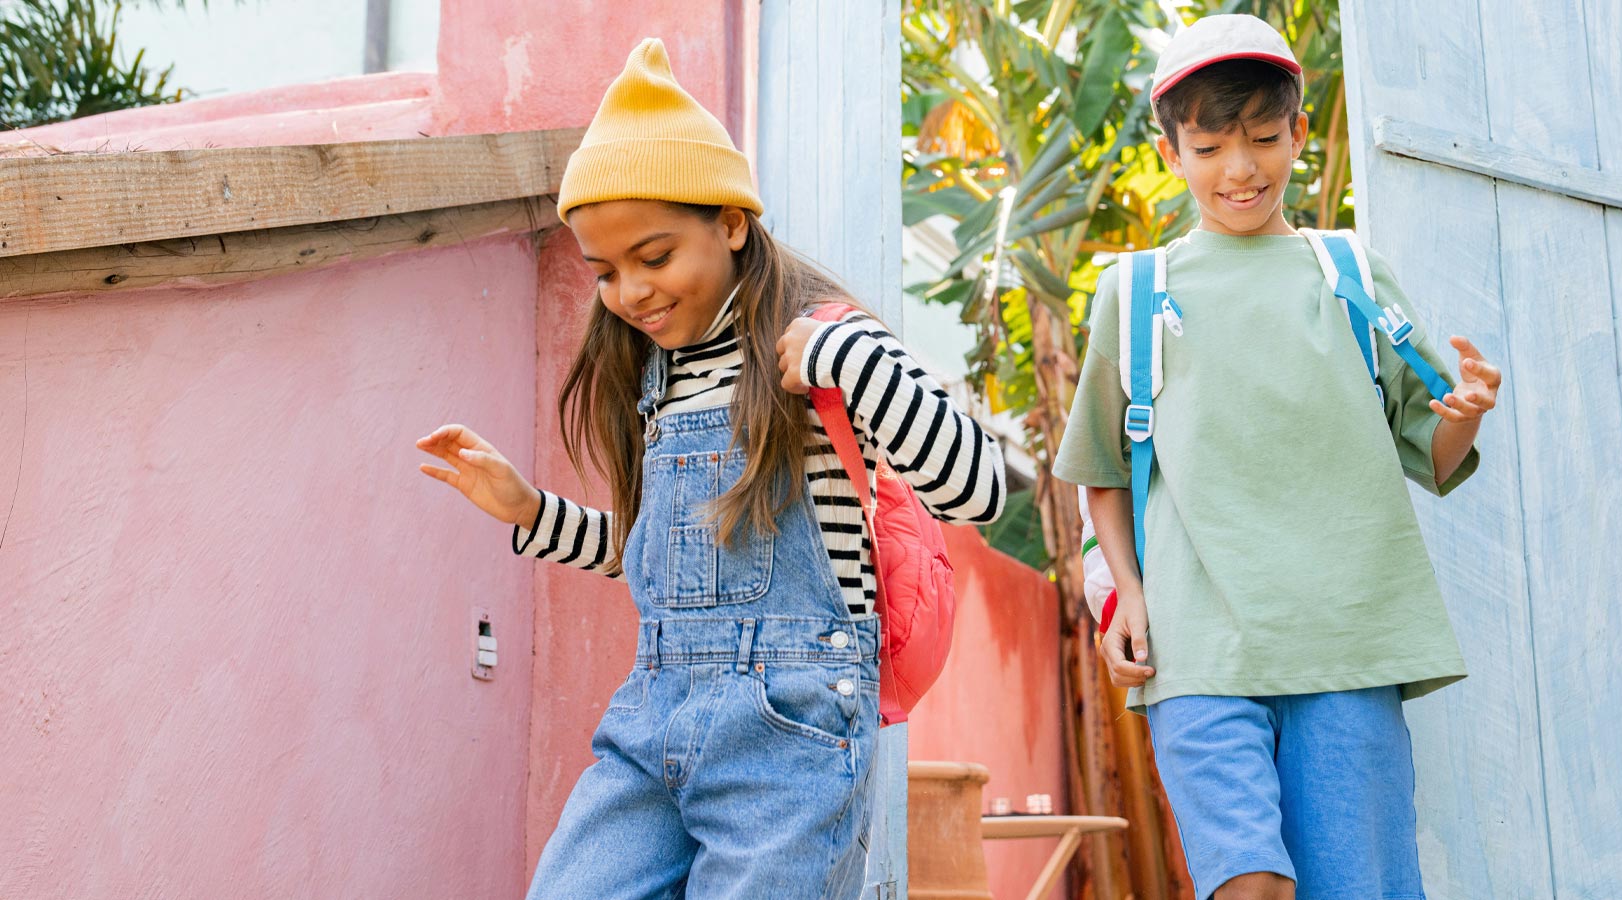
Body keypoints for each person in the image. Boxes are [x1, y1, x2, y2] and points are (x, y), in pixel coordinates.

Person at [414, 38, 1005, 899]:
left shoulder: (820, 340)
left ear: (731, 223)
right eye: (606, 271)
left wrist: (855, 362)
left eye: (655, 258)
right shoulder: (656, 376)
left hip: (790, 734)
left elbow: (976, 486)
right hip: (653, 717)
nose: (631, 293)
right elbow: (668, 558)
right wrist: (529, 511)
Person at [1054, 15, 1505, 900]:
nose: (1240, 168)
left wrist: (1469, 414)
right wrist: (1131, 598)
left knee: (1358, 887)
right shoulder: (1136, 290)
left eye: (1263, 138)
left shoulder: (1349, 275)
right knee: (1247, 885)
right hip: (1200, 647)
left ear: (1298, 133)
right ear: (1172, 150)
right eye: (1211, 144)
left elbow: (1432, 451)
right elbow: (1101, 472)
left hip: (1346, 642)